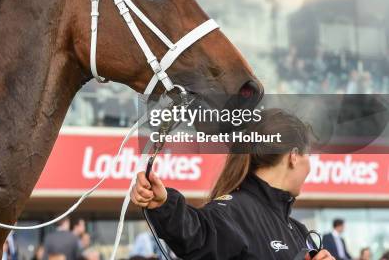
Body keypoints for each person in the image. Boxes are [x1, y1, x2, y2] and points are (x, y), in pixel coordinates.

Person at [130, 109, 336, 260]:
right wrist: (164, 204)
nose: (310, 165)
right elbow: (197, 234)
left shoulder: (297, 230)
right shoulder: (232, 212)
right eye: (309, 155)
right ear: (293, 156)